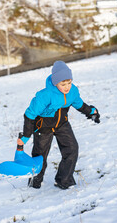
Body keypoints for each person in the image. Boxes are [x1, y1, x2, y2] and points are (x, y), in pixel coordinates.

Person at [17, 61, 100, 190]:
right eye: (63, 84)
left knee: (72, 149)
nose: (67, 87)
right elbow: (30, 114)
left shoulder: (72, 91)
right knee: (40, 156)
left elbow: (79, 104)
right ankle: (35, 183)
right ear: (55, 82)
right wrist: (26, 135)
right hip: (43, 127)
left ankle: (63, 180)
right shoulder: (45, 95)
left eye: (69, 82)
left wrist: (91, 112)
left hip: (62, 124)